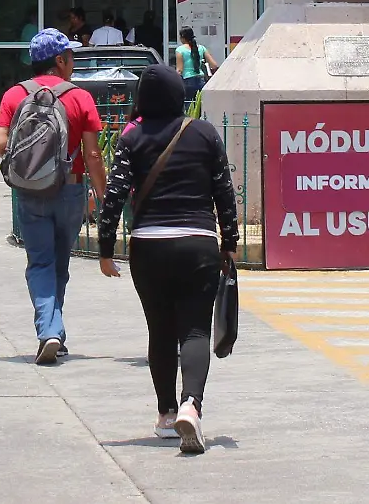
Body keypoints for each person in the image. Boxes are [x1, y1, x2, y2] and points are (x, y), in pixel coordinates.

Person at [95, 64, 240, 455]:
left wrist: (106, 250)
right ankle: (192, 404)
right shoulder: (205, 134)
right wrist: (230, 242)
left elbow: (113, 197)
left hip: (149, 247)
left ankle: (164, 414)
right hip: (198, 244)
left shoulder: (131, 137)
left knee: (160, 330)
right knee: (195, 329)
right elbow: (224, 192)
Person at [0, 28, 107, 364]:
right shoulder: (79, 97)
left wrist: (29, 154)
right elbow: (94, 154)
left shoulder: (15, 96)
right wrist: (103, 195)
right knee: (59, 263)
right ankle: (53, 330)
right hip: (70, 189)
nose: (73, 61)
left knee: (40, 262)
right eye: (70, 56)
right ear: (60, 60)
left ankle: (50, 330)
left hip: (30, 192)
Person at [173, 27, 218, 98]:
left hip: (187, 80)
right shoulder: (201, 48)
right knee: (200, 105)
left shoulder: (180, 50)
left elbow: (179, 70)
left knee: (189, 106)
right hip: (201, 79)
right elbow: (214, 65)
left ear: (182, 37)